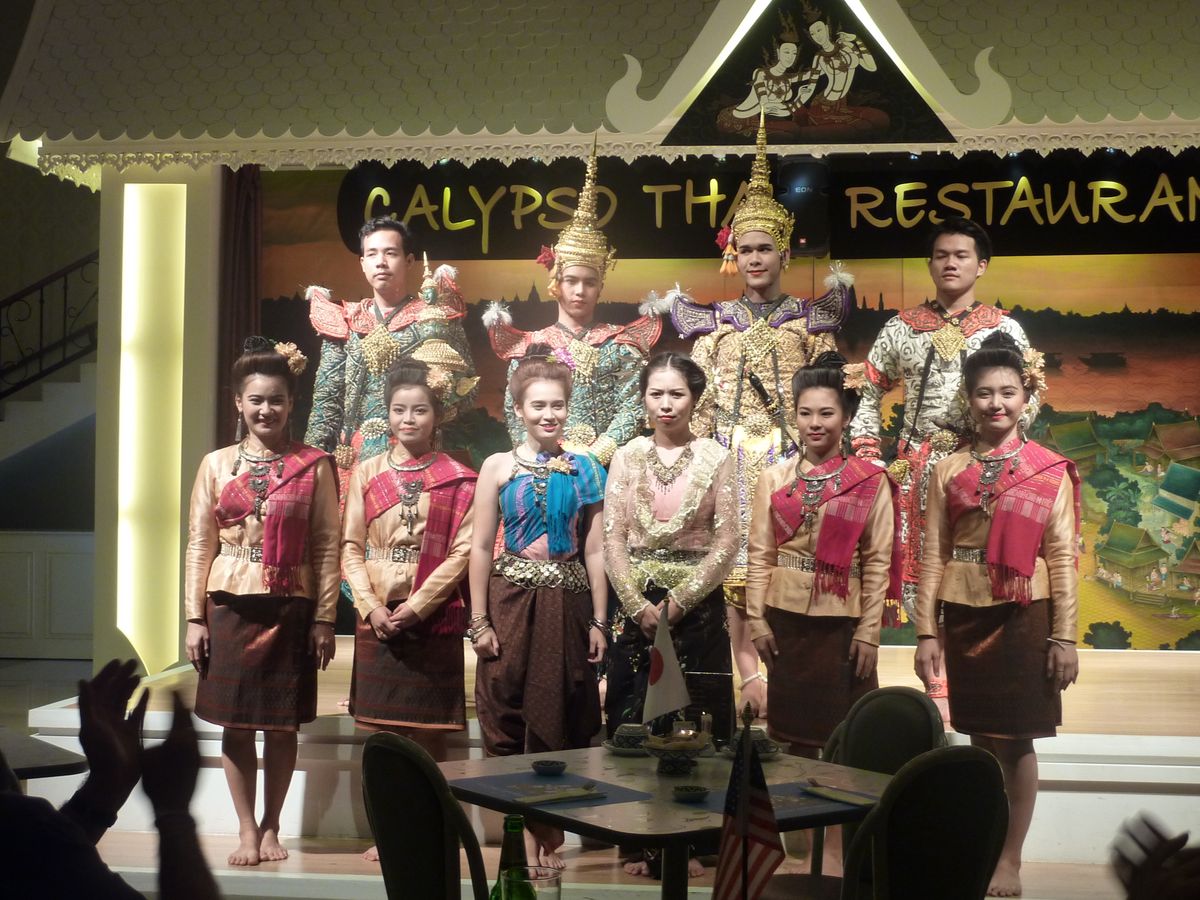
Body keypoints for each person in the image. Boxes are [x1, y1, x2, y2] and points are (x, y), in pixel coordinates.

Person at [671, 112, 851, 719]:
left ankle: (787, 670)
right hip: (728, 457)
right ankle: (746, 673)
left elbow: (832, 395)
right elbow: (697, 404)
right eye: (744, 249)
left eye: (764, 248)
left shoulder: (809, 322)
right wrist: (693, 465)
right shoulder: (715, 326)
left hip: (791, 459)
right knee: (732, 567)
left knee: (786, 563)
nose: (754, 258)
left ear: (784, 252)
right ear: (734, 254)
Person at [849, 216, 1041, 712]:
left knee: (976, 561)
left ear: (982, 265)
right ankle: (934, 672)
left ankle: (978, 662)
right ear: (930, 264)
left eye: (961, 255)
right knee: (924, 564)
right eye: (941, 255)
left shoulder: (1004, 328)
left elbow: (1032, 395)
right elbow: (867, 392)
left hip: (985, 466)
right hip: (920, 467)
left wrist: (1004, 444)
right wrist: (870, 456)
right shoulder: (901, 328)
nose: (950, 263)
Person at [914, 332, 1079, 898]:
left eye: (1007, 392)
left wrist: (1064, 638)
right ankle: (985, 847)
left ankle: (1010, 858)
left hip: (1024, 615)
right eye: (984, 393)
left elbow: (1062, 557)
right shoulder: (947, 470)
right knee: (981, 741)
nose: (996, 404)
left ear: (1025, 396)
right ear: (969, 399)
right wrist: (926, 631)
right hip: (964, 614)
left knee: (1017, 739)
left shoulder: (1048, 470)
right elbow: (932, 553)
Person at [184, 337, 340, 866]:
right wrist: (194, 617)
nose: (266, 409)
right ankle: (246, 829)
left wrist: (325, 617)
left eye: (276, 399)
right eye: (256, 399)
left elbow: (326, 544)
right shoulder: (215, 465)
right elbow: (200, 543)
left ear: (292, 403)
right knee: (235, 724)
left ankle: (273, 825)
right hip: (229, 605)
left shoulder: (314, 465)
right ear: (238, 402)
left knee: (281, 724)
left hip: (290, 606)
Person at [468, 347, 607, 869]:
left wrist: (599, 621)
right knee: (506, 708)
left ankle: (548, 831)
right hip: (509, 600)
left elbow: (595, 550)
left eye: (558, 405)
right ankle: (521, 831)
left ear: (569, 406)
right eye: (538, 406)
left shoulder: (586, 468)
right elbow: (481, 547)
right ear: (519, 409)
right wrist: (478, 620)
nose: (549, 415)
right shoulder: (497, 466)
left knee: (564, 708)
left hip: (568, 603)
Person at [603, 351, 738, 879]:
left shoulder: (716, 456)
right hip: (636, 604)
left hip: (696, 610)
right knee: (632, 715)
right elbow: (613, 538)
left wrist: (680, 600)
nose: (665, 404)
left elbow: (727, 542)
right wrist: (637, 604)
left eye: (676, 393)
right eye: (656, 393)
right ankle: (637, 842)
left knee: (695, 721)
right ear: (643, 398)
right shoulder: (627, 455)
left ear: (695, 398)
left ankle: (693, 841)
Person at [341, 360, 477, 860]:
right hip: (377, 617)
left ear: (437, 415)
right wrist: (370, 607)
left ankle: (430, 829)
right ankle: (389, 833)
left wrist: (417, 607)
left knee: (430, 734)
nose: (409, 419)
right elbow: (350, 547)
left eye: (419, 410)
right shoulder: (367, 472)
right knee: (383, 736)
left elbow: (463, 553)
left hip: (430, 617)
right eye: (399, 410)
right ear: (388, 414)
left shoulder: (460, 478)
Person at [747, 353, 899, 758]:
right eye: (805, 413)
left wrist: (869, 632)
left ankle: (838, 805)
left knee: (844, 742)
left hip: (843, 625)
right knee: (791, 742)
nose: (814, 423)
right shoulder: (773, 479)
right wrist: (757, 621)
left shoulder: (870, 481)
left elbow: (878, 563)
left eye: (826, 413)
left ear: (846, 418)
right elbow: (760, 555)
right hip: (786, 623)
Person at [483, 142, 662, 466]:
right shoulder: (531, 348)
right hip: (543, 465)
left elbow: (632, 406)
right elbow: (514, 407)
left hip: (607, 467)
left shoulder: (619, 345)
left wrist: (596, 456)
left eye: (589, 282)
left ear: (600, 286)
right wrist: (540, 458)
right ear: (556, 282)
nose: (580, 291)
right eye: (571, 281)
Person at [0, 660, 220, 900]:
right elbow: (36, 855)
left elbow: (37, 862)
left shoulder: (23, 826)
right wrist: (174, 814)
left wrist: (107, 785)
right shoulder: (23, 821)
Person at [305, 218, 478, 492]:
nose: (381, 262)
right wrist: (310, 468)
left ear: (409, 261)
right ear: (362, 263)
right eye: (372, 254)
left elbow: (467, 390)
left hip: (420, 452)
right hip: (355, 456)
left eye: (390, 253)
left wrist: (436, 403)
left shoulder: (436, 318)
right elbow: (326, 403)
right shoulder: (346, 320)